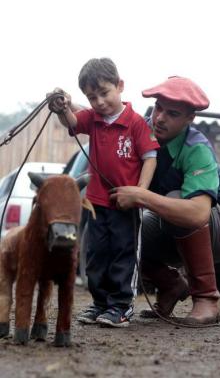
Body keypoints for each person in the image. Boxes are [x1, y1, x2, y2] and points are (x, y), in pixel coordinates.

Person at [110, 76, 220, 325]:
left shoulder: (197, 149)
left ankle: (207, 299)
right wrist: (67, 108)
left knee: (178, 200)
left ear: (189, 119)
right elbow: (106, 116)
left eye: (172, 113)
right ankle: (170, 284)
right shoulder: (141, 131)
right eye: (158, 108)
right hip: (170, 225)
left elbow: (197, 214)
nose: (160, 118)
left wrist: (140, 195)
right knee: (119, 223)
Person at [48, 58, 160, 327]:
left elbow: (150, 157)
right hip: (96, 203)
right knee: (96, 254)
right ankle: (100, 304)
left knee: (124, 253)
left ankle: (121, 306)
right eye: (91, 96)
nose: (98, 101)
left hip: (126, 205)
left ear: (120, 86)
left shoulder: (136, 123)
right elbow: (71, 121)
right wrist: (61, 107)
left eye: (104, 93)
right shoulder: (93, 119)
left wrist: (140, 191)